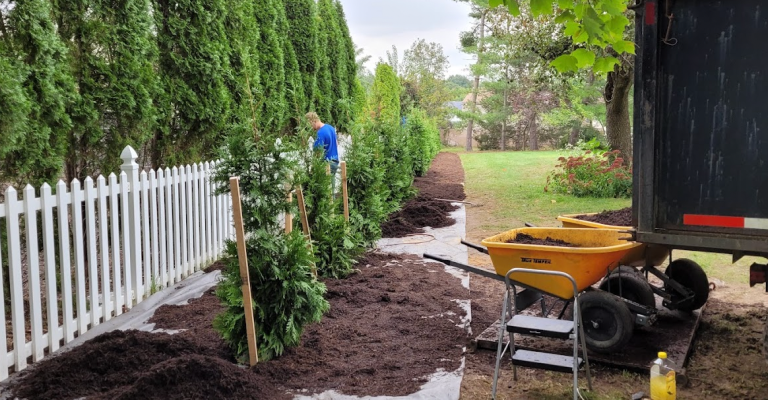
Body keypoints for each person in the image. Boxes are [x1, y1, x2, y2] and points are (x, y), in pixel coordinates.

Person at [305, 111, 340, 193]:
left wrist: (313, 168)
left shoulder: (320, 133)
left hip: (326, 164)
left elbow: (318, 152)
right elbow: (337, 143)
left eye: (309, 124)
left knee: (324, 192)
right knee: (331, 188)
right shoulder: (330, 128)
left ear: (313, 121)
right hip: (335, 162)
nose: (310, 127)